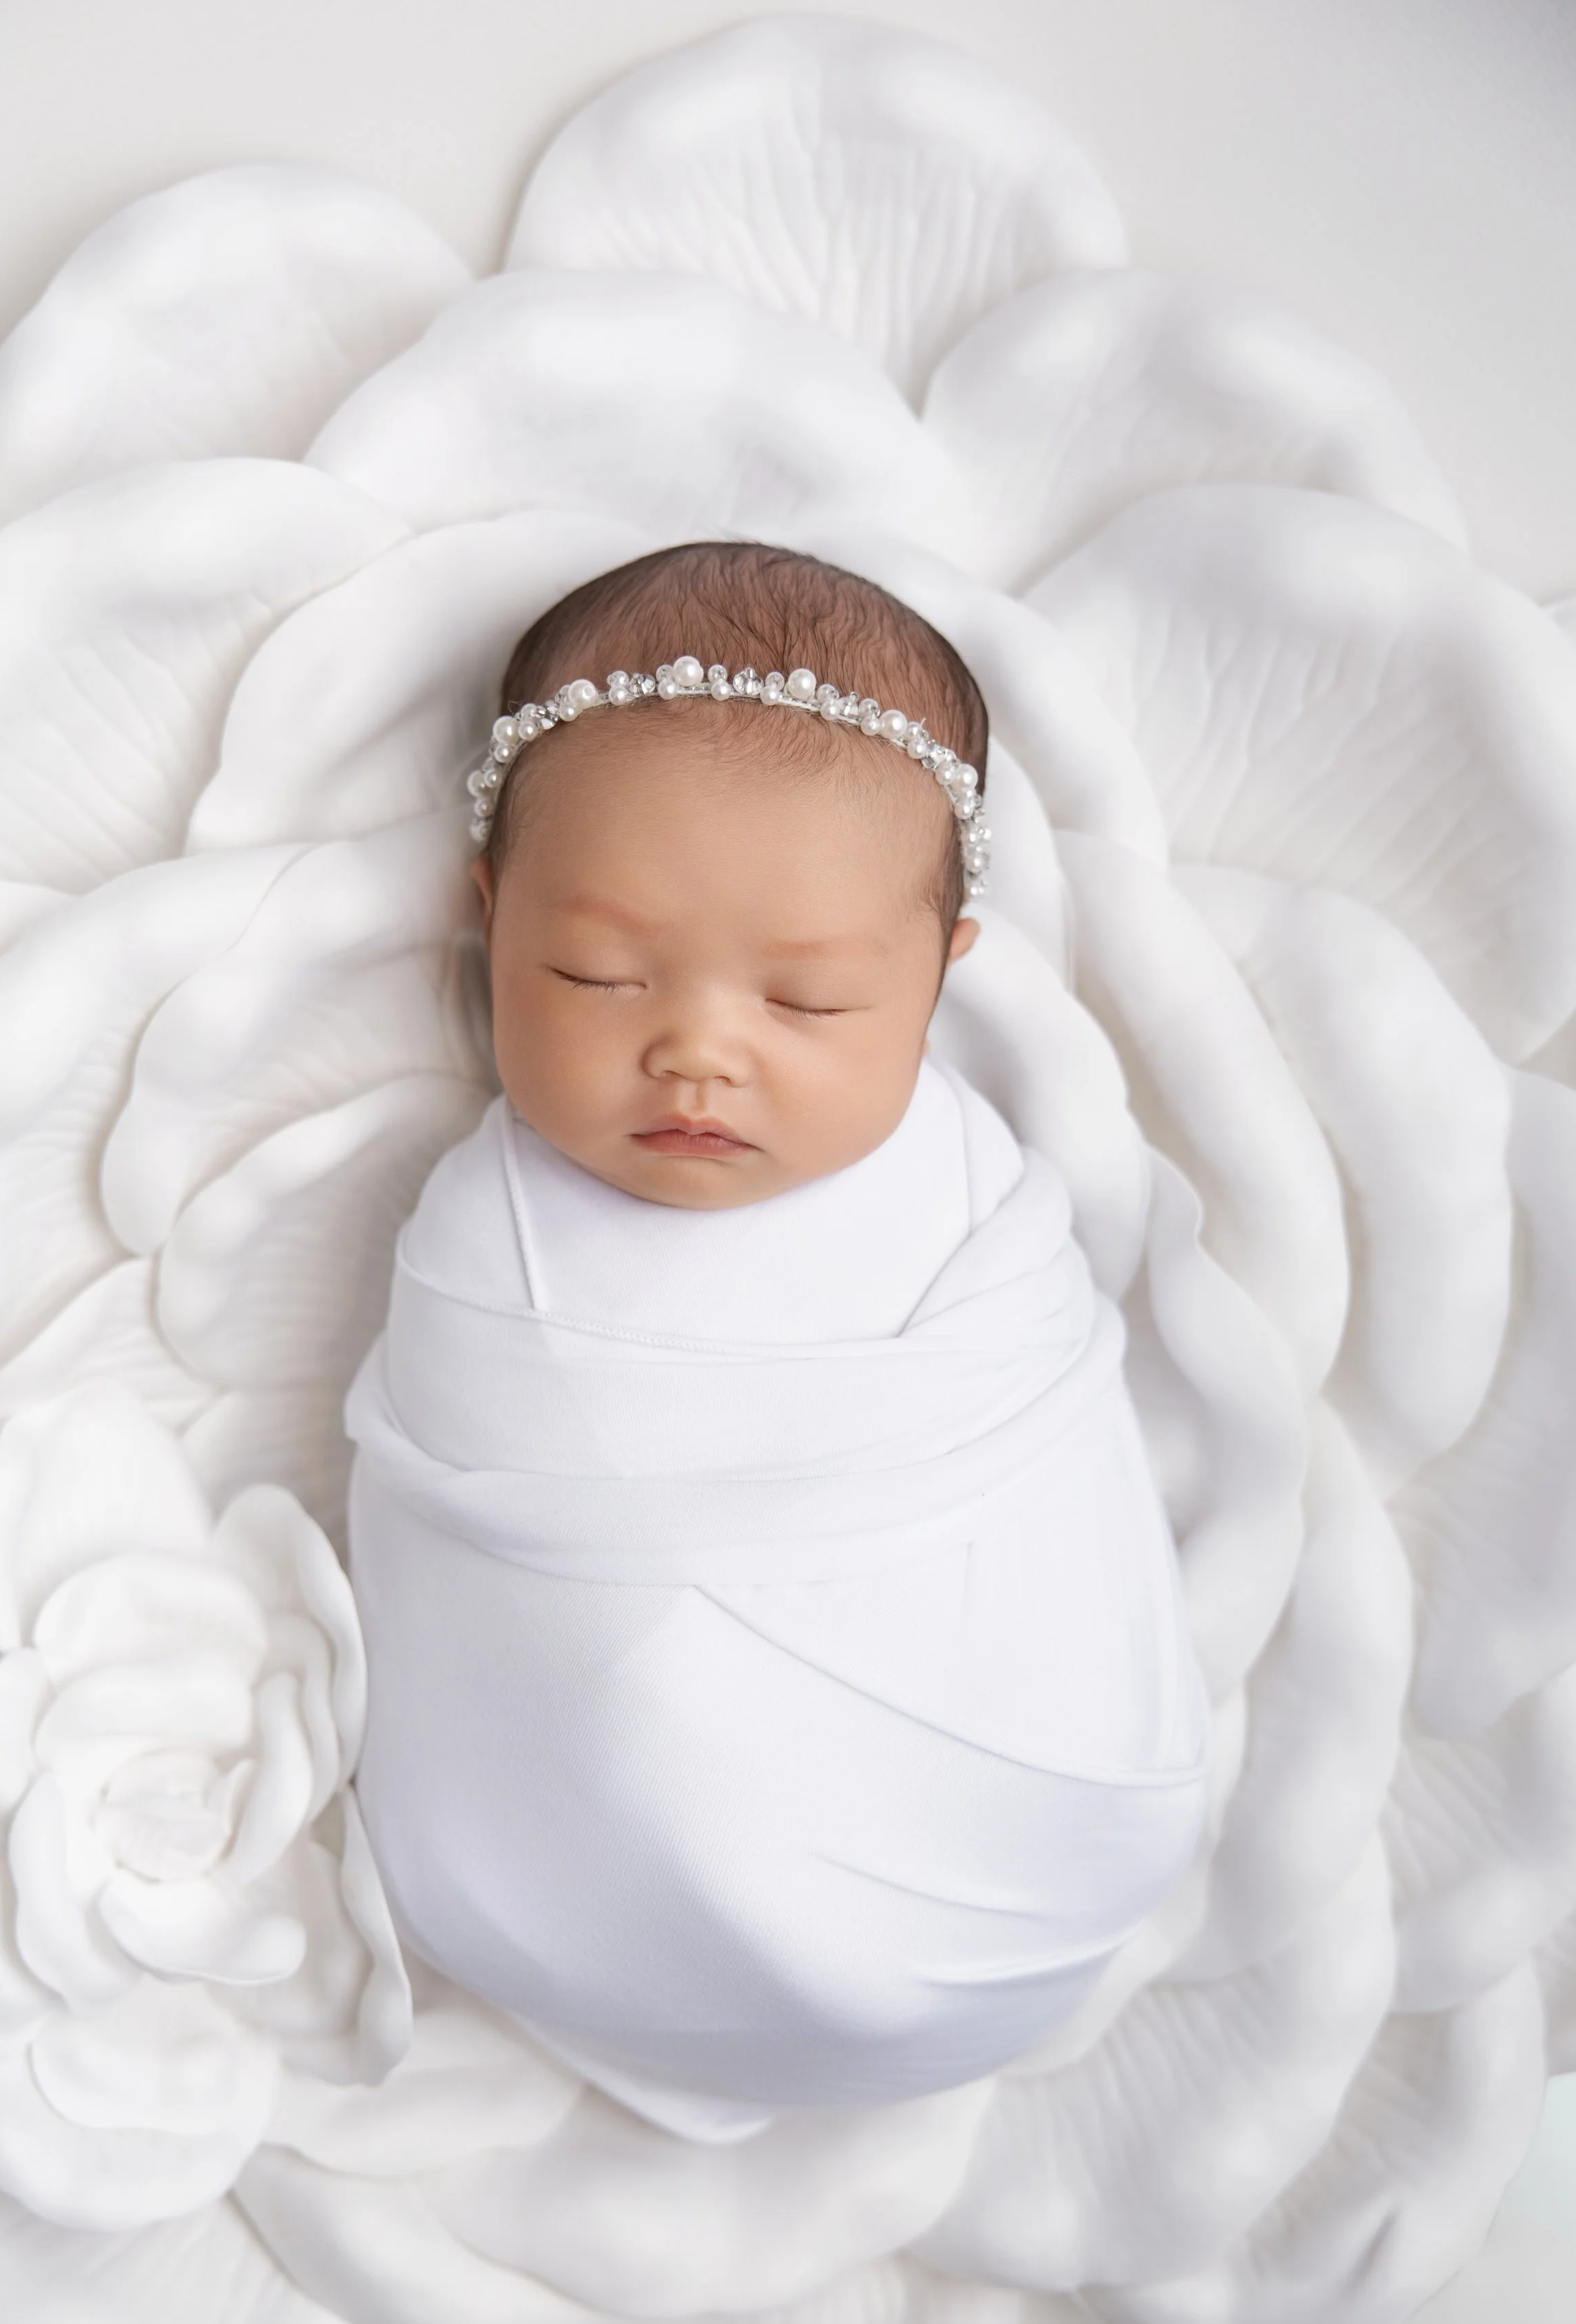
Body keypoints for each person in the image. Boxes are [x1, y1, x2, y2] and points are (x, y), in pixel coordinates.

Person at [345, 543, 1209, 2141]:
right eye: (592, 974)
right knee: (673, 1764)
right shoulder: (485, 1239)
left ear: (937, 975)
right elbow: (465, 1571)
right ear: (487, 914)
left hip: (1012, 1838)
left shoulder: (978, 1208)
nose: (693, 1050)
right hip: (601, 1877)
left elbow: (1050, 1478)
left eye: (809, 1002)